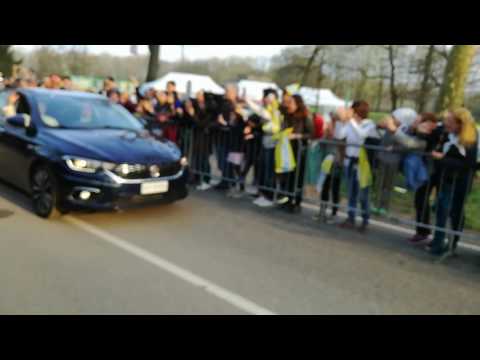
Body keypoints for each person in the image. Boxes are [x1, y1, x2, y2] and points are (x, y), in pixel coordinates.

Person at [380, 112, 443, 244]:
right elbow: (407, 145)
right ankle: (422, 231)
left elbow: (410, 143)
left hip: (429, 172)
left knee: (425, 202)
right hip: (425, 172)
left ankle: (427, 233)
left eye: (418, 121)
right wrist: (396, 147)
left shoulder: (428, 136)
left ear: (427, 124)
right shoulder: (418, 133)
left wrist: (394, 129)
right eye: (415, 120)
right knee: (420, 202)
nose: (414, 122)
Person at [426, 108, 478, 256]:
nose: (446, 124)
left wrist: (443, 158)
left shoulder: (471, 139)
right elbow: (433, 137)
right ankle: (438, 241)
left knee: (454, 212)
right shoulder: (449, 133)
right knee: (441, 210)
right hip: (446, 179)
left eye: (449, 122)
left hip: (460, 182)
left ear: (460, 124)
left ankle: (451, 243)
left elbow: (469, 164)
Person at [338, 100, 377, 233]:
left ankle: (365, 220)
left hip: (362, 164)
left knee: (363, 195)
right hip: (350, 161)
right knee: (351, 192)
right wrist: (342, 122)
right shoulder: (350, 123)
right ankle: (350, 217)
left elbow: (361, 136)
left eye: (352, 110)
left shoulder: (369, 124)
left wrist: (351, 121)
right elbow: (340, 135)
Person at [245, 89, 283, 208]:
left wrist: (249, 101)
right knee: (264, 170)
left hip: (272, 145)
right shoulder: (269, 111)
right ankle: (263, 194)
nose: (266, 100)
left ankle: (269, 196)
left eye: (269, 98)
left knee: (269, 172)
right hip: (266, 143)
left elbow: (261, 113)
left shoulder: (275, 112)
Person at [278, 94, 313, 213]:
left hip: (299, 151)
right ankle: (287, 199)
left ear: (298, 104)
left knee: (297, 177)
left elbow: (310, 134)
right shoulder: (287, 115)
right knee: (287, 176)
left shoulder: (305, 117)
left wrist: (297, 136)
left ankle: (296, 202)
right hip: (287, 150)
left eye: (291, 102)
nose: (289, 105)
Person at [314, 107, 350, 223]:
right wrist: (325, 136)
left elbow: (343, 144)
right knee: (325, 185)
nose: (332, 118)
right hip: (328, 161)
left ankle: (334, 213)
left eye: (335, 116)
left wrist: (341, 159)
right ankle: (322, 210)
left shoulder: (344, 128)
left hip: (338, 161)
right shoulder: (329, 126)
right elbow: (323, 143)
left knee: (335, 188)